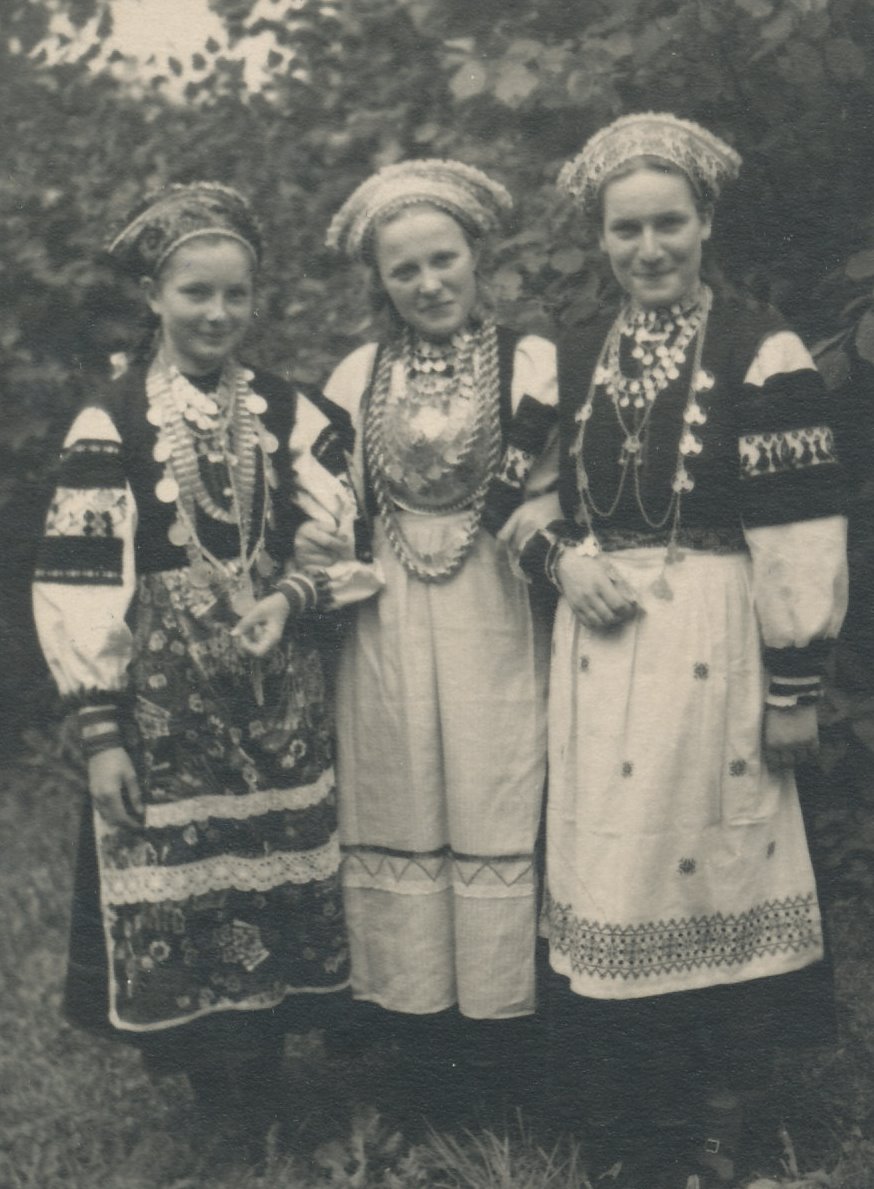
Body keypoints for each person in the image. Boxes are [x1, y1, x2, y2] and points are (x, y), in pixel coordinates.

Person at [514, 114, 848, 1185]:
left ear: (705, 224)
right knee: (615, 870)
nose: (647, 248)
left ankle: (720, 1114)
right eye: (626, 229)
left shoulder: (763, 348)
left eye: (668, 224)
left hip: (715, 646)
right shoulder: (564, 353)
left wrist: (794, 681)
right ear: (599, 238)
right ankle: (629, 1113)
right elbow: (505, 500)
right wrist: (561, 558)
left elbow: (799, 524)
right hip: (599, 659)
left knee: (714, 864)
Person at [32, 182, 352, 1149]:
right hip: (166, 711)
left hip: (276, 699)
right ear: (156, 297)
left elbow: (343, 539)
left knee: (273, 882)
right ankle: (216, 1107)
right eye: (194, 293)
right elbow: (79, 581)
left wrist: (291, 597)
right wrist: (101, 733)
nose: (216, 314)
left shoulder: (293, 413)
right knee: (183, 887)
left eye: (235, 295)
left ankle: (270, 1093)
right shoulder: (112, 421)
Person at [236, 159, 558, 1117]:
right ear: (379, 281)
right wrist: (314, 577)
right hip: (388, 620)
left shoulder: (528, 363)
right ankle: (422, 1057)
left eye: (442, 260)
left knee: (499, 789)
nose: (427, 284)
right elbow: (329, 510)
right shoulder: (356, 376)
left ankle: (514, 1052)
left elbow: (545, 496)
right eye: (404, 270)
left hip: (495, 605)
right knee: (404, 793)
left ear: (475, 258)